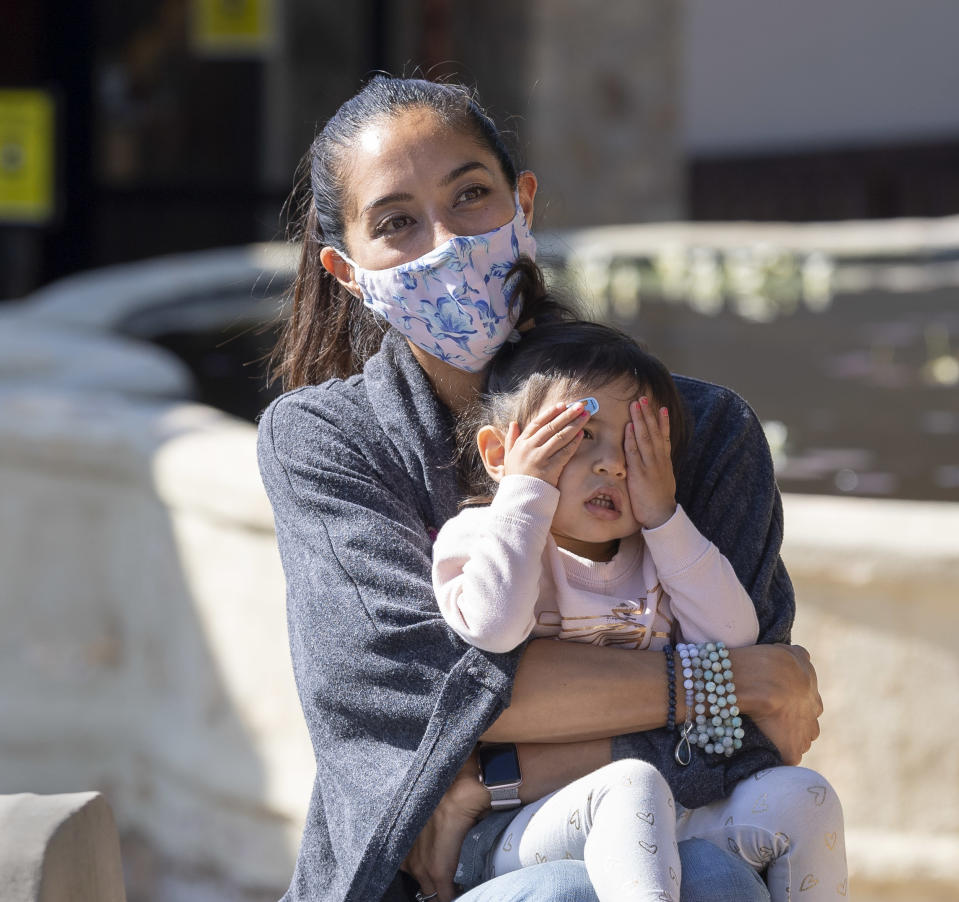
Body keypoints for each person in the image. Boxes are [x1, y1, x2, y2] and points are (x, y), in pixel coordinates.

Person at [257, 75, 824, 902]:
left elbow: (756, 743)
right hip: (431, 886)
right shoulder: (326, 442)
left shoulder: (701, 432)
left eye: (471, 195)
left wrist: (482, 780)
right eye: (397, 224)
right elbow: (411, 699)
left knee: (708, 874)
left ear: (523, 201)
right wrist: (726, 679)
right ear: (347, 270)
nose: (445, 243)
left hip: (677, 847)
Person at [432, 320, 849, 901]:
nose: (614, 465)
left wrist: (664, 518)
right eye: (579, 435)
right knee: (630, 784)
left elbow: (735, 636)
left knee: (804, 797)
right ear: (501, 452)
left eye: (637, 446)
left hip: (667, 808)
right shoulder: (480, 535)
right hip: (516, 828)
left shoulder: (662, 555)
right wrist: (525, 493)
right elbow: (495, 628)